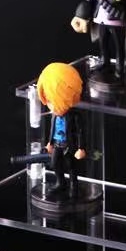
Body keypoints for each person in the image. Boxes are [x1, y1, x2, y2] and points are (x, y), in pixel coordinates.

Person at [36, 62, 86, 199]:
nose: (50, 106)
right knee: (54, 163)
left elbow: (80, 132)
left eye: (52, 101)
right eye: (48, 101)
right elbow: (52, 130)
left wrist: (81, 148)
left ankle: (74, 186)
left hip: (69, 145)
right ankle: (61, 182)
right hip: (57, 144)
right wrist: (50, 143)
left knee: (71, 167)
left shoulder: (75, 116)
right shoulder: (54, 116)